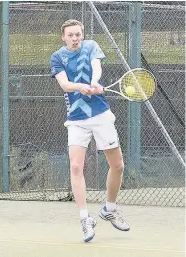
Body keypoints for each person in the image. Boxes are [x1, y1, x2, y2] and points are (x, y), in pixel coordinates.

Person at [50, 19, 130, 243]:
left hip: (101, 115)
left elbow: (97, 66)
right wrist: (81, 87)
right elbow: (65, 85)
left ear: (82, 35)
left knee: (118, 165)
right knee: (76, 166)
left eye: (78, 34)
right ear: (63, 37)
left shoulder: (91, 46)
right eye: (71, 35)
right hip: (76, 119)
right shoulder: (57, 57)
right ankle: (85, 218)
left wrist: (94, 82)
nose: (75, 38)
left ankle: (109, 209)